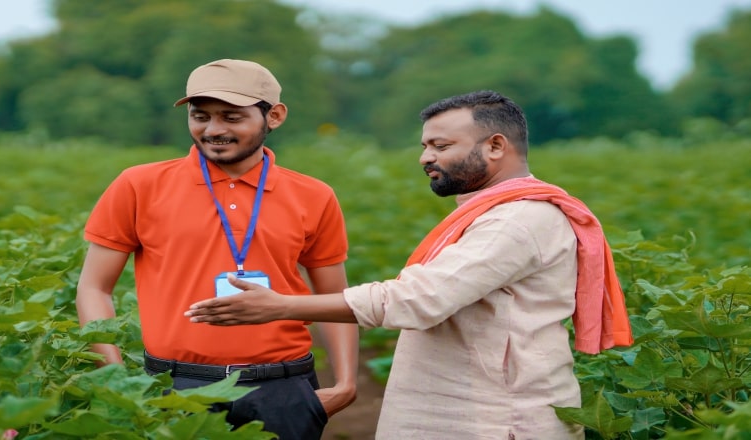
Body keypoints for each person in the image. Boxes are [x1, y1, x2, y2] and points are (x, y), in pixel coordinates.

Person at [186, 90, 635, 439]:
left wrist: (282, 306)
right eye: (424, 145)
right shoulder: (496, 213)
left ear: (496, 146)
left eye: (440, 145)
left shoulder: (517, 220)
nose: (425, 158)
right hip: (473, 411)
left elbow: (418, 299)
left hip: (498, 420)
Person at [76, 58, 358, 439]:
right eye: (200, 116)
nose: (213, 130)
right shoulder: (140, 185)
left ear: (273, 116)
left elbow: (333, 296)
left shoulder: (313, 195)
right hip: (175, 387)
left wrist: (345, 382)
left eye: (231, 117)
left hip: (282, 388)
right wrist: (112, 378)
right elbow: (94, 287)